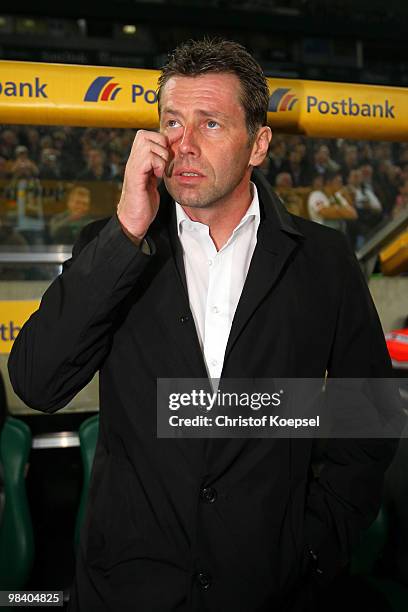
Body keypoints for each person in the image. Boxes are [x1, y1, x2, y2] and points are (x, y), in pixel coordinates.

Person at [8, 39, 398, 612]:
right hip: (127, 591)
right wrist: (125, 233)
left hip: (269, 591)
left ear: (258, 143)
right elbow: (38, 383)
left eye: (210, 123)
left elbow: (368, 420)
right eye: (172, 123)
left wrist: (311, 549)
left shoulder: (323, 260)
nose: (182, 145)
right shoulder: (111, 244)